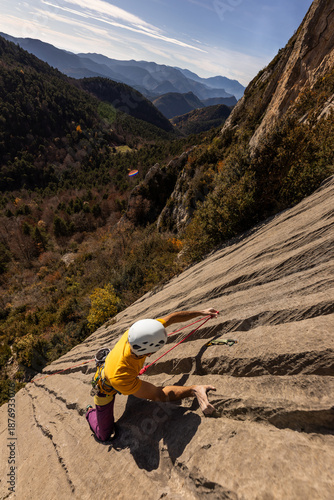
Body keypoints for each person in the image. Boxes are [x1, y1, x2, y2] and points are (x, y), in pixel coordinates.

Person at [86, 307, 219, 442]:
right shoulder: (120, 376)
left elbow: (172, 318)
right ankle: (90, 412)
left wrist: (202, 312)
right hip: (107, 387)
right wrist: (193, 390)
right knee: (104, 435)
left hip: (118, 371)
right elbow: (158, 394)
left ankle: (126, 377)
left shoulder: (139, 332)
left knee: (130, 381)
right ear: (150, 352)